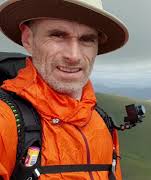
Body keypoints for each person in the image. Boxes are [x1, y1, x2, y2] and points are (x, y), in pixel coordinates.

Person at [0, 0, 129, 179]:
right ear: (28, 39)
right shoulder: (5, 120)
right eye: (58, 36)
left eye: (87, 39)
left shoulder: (102, 123)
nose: (73, 56)